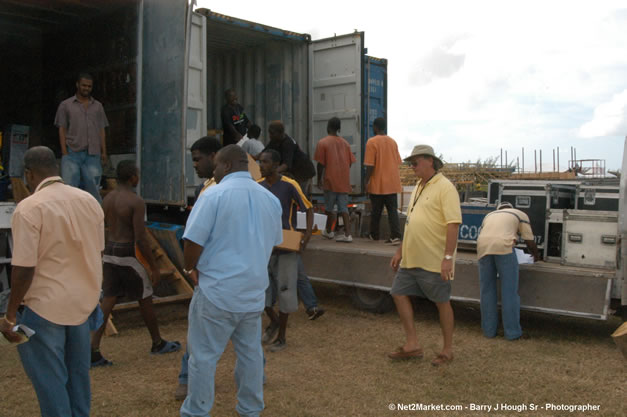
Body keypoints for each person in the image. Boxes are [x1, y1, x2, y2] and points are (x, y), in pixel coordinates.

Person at [0, 146, 104, 416]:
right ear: (56, 169)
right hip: (82, 304)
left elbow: (23, 268)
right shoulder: (89, 201)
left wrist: (10, 315)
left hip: (43, 308)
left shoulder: (28, 208)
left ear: (28, 174)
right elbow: (98, 251)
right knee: (79, 379)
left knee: (50, 382)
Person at [180, 145, 282, 417]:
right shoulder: (270, 199)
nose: (214, 172)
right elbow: (272, 243)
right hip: (251, 295)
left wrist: (189, 267)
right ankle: (250, 410)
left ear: (225, 166)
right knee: (250, 357)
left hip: (216, 293)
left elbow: (192, 241)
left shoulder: (213, 195)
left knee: (202, 359)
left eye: (215, 167)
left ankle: (196, 412)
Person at [90, 160, 181, 367]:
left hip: (110, 251)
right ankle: (157, 343)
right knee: (145, 296)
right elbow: (140, 237)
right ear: (132, 177)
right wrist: (153, 266)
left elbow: (105, 225)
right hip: (128, 253)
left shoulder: (108, 198)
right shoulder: (135, 201)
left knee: (109, 299)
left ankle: (93, 349)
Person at [388, 145, 461, 366]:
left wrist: (447, 258)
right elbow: (410, 222)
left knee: (441, 302)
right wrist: (401, 250)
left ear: (430, 161)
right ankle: (412, 345)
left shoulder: (445, 187)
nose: (412, 167)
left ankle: (447, 351)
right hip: (411, 259)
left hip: (434, 260)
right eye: (411, 163)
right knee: (398, 293)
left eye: (415, 162)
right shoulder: (419, 186)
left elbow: (453, 224)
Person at [175, 136, 222, 401]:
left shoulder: (219, 190)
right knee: (200, 331)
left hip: (219, 274)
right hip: (208, 274)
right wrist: (192, 268)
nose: (194, 165)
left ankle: (187, 380)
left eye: (197, 159)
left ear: (214, 156)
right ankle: (186, 378)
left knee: (207, 332)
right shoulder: (204, 188)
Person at [258, 149, 314, 352]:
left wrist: (305, 237)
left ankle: (281, 337)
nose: (260, 165)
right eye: (259, 162)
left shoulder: (290, 185)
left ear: (275, 164)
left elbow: (308, 209)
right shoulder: (258, 187)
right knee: (262, 292)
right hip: (264, 248)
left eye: (264, 162)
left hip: (285, 247)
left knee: (285, 291)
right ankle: (273, 322)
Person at [476, 202, 540, 340]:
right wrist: (536, 255)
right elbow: (529, 240)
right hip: (504, 247)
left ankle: (489, 331)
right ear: (511, 208)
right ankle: (512, 333)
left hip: (482, 248)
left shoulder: (489, 215)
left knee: (486, 291)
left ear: (498, 209)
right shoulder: (519, 214)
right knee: (509, 292)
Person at [55, 72, 109, 203]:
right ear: (77, 85)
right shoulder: (65, 105)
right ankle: (70, 219)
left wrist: (104, 152)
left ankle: (95, 220)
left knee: (93, 191)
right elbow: (62, 128)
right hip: (72, 153)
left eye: (89, 86)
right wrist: (64, 152)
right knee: (69, 190)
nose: (86, 88)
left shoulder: (98, 106)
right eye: (84, 85)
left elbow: (102, 129)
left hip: (93, 155)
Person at [314, 117, 356, 242]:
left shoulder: (323, 143)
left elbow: (320, 164)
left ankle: (329, 231)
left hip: (330, 180)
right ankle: (348, 234)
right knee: (344, 208)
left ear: (328, 127)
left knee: (329, 208)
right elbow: (350, 162)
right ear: (339, 128)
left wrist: (319, 179)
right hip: (343, 181)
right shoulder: (345, 144)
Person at [363, 117, 402, 244]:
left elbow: (370, 165)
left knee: (376, 211)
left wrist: (366, 181)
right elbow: (397, 161)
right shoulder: (393, 142)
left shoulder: (371, 142)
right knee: (392, 211)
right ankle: (395, 236)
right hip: (392, 183)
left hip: (378, 184)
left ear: (375, 127)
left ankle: (374, 235)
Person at [263, 120, 316, 196]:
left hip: (303, 172)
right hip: (294, 173)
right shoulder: (274, 141)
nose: (270, 135)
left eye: (272, 133)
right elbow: (263, 153)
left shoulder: (288, 143)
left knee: (299, 195)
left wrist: (272, 171)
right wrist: (251, 157)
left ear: (280, 133)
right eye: (269, 133)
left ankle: (302, 207)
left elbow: (286, 165)